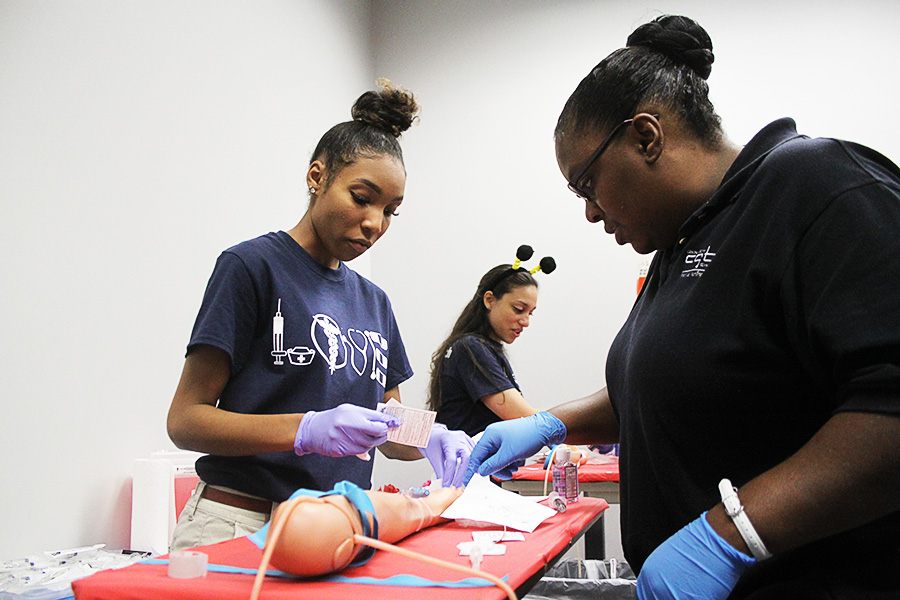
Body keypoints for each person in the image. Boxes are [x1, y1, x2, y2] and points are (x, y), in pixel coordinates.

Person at [463, 15, 900, 600]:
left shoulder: (817, 188)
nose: (590, 214)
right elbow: (660, 390)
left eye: (587, 185)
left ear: (646, 137)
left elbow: (888, 403)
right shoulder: (680, 244)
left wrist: (732, 534)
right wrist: (551, 425)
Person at [166, 80, 473, 551]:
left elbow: (388, 426)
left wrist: (433, 435)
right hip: (238, 522)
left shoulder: (374, 302)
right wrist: (306, 429)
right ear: (317, 177)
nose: (375, 222)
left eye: (391, 210)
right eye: (361, 197)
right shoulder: (252, 268)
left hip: (332, 529)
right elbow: (186, 421)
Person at [426, 256, 543, 437]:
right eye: (519, 309)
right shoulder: (471, 348)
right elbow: (524, 419)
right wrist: (578, 430)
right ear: (489, 300)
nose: (526, 321)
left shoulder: (482, 347)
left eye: (530, 313)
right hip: (475, 464)